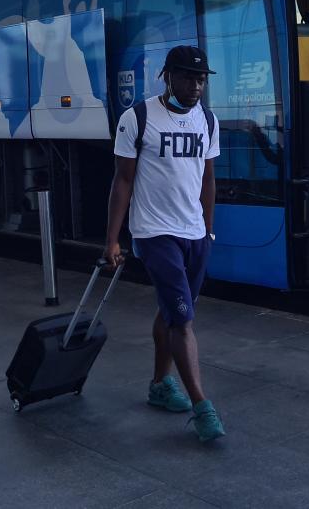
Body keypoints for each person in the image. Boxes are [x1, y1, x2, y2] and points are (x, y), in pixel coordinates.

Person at [103, 44, 225, 442]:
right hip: (154, 232)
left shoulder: (208, 120)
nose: (196, 86)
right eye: (188, 78)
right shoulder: (137, 118)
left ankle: (159, 385)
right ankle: (203, 408)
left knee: (173, 312)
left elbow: (207, 178)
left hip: (195, 234)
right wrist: (113, 240)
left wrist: (208, 231)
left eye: (201, 79)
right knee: (183, 321)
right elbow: (123, 180)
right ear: (167, 76)